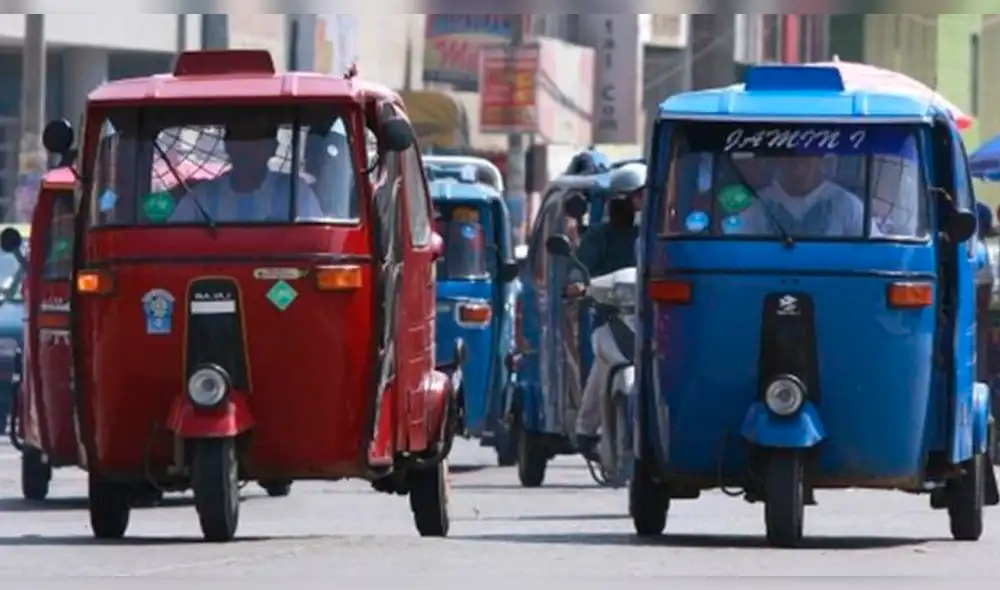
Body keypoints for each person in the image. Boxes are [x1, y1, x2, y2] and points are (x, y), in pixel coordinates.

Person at [566, 163, 646, 458]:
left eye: (646, 196)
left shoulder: (657, 233)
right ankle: (587, 429)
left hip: (654, 317)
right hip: (612, 317)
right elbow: (579, 267)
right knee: (607, 361)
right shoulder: (601, 235)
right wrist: (577, 284)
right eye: (638, 197)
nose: (643, 203)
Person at [170, 120, 325, 223]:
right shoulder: (202, 197)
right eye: (241, 141)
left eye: (258, 142)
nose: (248, 150)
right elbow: (175, 242)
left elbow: (315, 241)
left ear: (273, 148)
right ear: (227, 145)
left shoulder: (295, 193)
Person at [732, 155, 867, 237]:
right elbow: (734, 241)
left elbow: (869, 251)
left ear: (819, 161)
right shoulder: (758, 204)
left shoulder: (848, 205)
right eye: (790, 161)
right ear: (778, 161)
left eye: (805, 161)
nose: (798, 170)